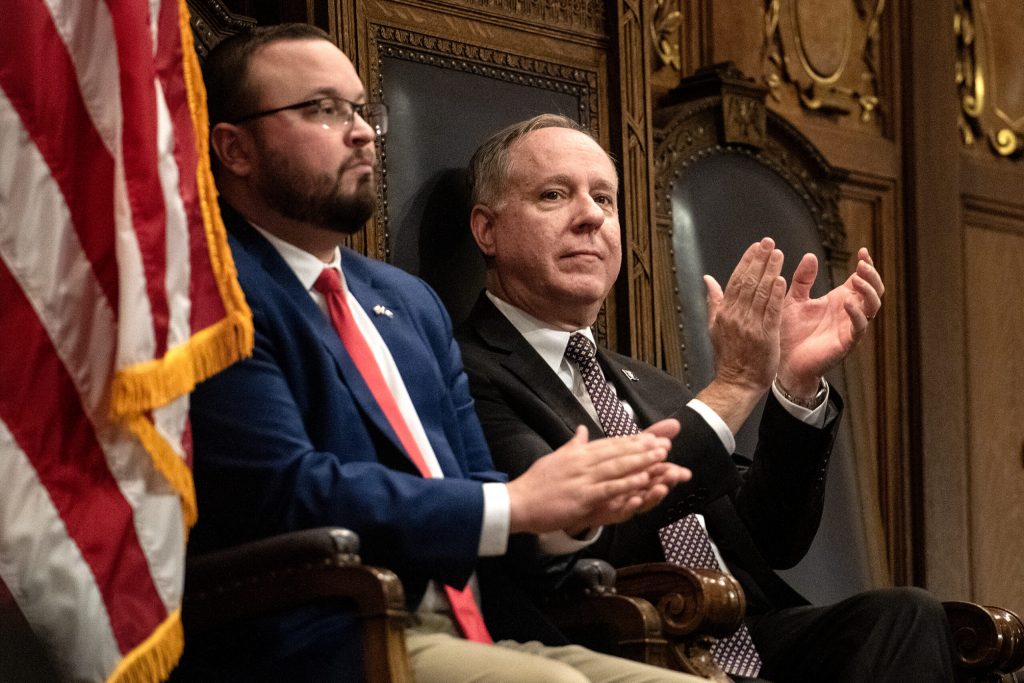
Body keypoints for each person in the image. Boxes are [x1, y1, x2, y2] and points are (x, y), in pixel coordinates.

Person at [179, 24, 703, 683]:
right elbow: (289, 490)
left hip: (485, 625)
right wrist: (515, 505)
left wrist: (570, 512)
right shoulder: (212, 289)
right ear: (236, 148)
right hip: (326, 634)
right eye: (322, 110)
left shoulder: (409, 302)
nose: (364, 132)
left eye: (361, 110)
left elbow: (478, 485)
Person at [456, 114, 958, 682]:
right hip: (621, 642)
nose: (591, 216)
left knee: (906, 616)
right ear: (486, 230)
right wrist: (736, 386)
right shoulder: (463, 371)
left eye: (604, 198)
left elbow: (770, 539)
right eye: (554, 195)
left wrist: (790, 387)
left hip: (748, 637)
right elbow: (581, 535)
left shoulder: (650, 384)